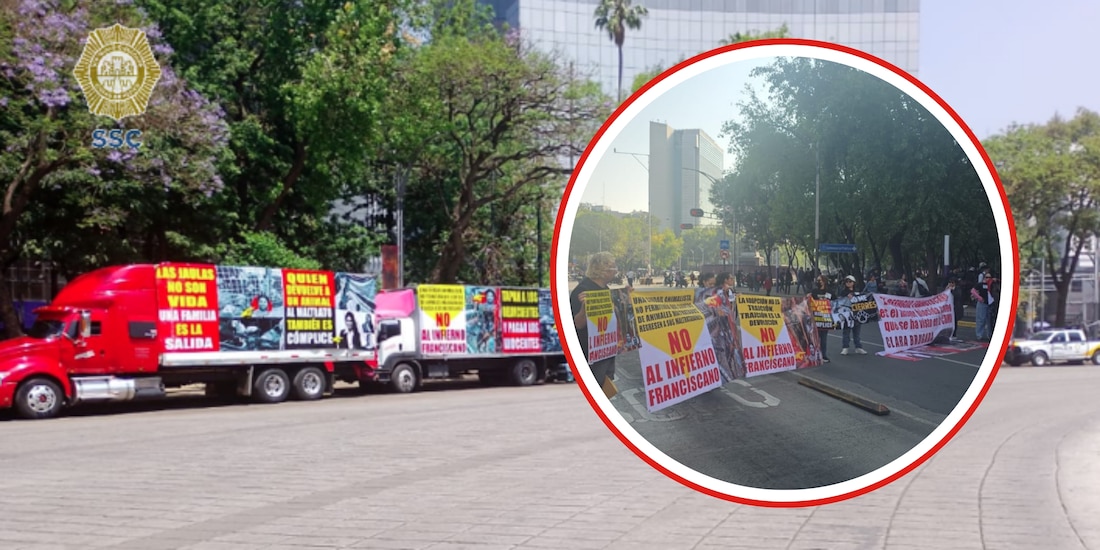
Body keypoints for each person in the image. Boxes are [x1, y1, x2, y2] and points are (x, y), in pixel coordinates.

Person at [570, 252, 622, 388]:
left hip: (606, 351)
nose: (615, 270)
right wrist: (584, 310)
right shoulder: (582, 290)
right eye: (612, 267)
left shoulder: (605, 289)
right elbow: (577, 324)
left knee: (606, 388)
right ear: (602, 270)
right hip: (591, 354)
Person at [837, 275, 867, 355]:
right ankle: (845, 347)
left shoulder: (857, 291)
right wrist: (847, 294)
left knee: (856, 332)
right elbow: (840, 296)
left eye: (850, 281)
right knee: (846, 331)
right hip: (846, 313)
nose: (848, 283)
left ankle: (858, 347)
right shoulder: (843, 292)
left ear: (853, 283)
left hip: (857, 313)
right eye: (846, 281)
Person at [807, 275, 834, 363]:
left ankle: (823, 355)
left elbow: (836, 301)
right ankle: (814, 354)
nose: (818, 282)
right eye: (817, 280)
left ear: (824, 281)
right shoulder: (814, 291)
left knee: (824, 338)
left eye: (820, 280)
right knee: (815, 337)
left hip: (826, 319)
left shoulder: (829, 291)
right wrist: (808, 296)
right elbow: (810, 301)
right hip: (816, 317)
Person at [947, 277, 966, 342]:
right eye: (950, 282)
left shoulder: (957, 289)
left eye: (952, 283)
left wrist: (952, 290)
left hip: (955, 308)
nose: (951, 284)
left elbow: (958, 295)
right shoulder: (947, 289)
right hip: (949, 308)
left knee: (954, 321)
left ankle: (954, 334)